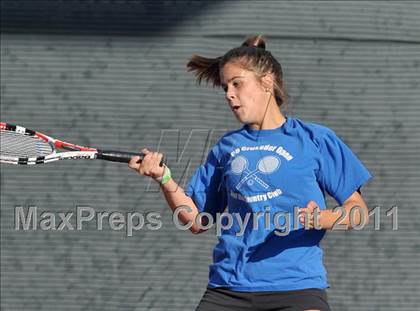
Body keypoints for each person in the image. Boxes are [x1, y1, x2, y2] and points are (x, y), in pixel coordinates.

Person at [129, 35, 372, 311]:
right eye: (225, 87)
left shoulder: (315, 139)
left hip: (297, 287)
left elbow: (358, 212)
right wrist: (164, 179)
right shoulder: (226, 148)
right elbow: (196, 221)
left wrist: (323, 218)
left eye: (237, 84)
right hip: (228, 288)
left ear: (266, 81)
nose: (229, 94)